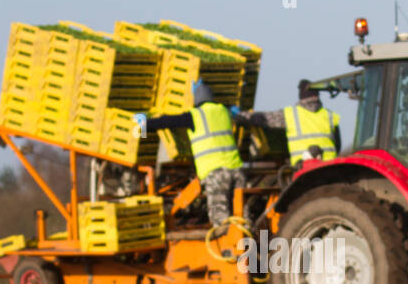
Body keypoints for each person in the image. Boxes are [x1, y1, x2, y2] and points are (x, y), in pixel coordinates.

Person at [136, 80, 248, 235]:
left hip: (216, 174)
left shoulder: (195, 115)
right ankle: (250, 242)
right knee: (242, 215)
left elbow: (167, 121)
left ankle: (229, 252)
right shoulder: (223, 111)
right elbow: (241, 115)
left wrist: (143, 124)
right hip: (237, 171)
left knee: (221, 219)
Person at [233, 79, 340, 168]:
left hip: (303, 169)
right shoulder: (330, 115)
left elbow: (264, 118)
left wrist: (240, 116)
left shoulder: (291, 114)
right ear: (317, 95)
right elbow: (338, 145)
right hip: (330, 168)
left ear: (301, 95)